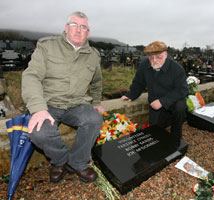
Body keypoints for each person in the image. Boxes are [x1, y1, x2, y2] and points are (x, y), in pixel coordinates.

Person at [22, 11, 104, 183]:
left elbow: (97, 82)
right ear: (66, 28)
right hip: (48, 104)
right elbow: (31, 76)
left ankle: (78, 163)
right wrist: (38, 109)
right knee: (39, 132)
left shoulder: (93, 55)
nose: (78, 30)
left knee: (94, 119)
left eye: (83, 27)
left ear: (88, 32)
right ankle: (60, 161)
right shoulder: (47, 46)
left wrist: (96, 102)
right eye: (74, 25)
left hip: (76, 104)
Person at [120, 41, 188, 145]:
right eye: (151, 57)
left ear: (165, 54)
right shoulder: (145, 65)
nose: (154, 60)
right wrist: (131, 94)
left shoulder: (177, 69)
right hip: (154, 101)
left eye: (158, 57)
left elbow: (182, 90)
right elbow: (139, 82)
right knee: (155, 130)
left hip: (173, 100)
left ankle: (176, 134)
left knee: (180, 108)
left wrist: (162, 101)